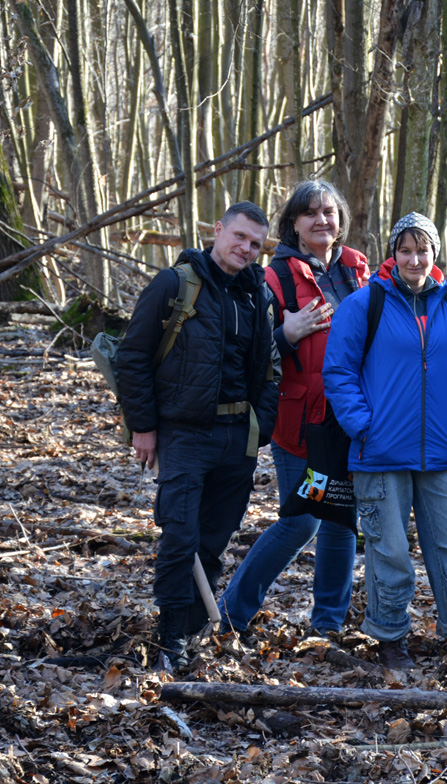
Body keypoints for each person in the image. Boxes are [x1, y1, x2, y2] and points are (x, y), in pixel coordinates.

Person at [322, 212, 447, 669]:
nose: (415, 259)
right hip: (379, 452)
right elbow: (338, 372)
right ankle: (390, 635)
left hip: (445, 451)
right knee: (390, 551)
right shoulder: (364, 304)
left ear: (435, 254)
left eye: (423, 250)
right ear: (393, 254)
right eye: (406, 250)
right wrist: (363, 424)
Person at [115, 201, 281, 673]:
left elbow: (269, 368)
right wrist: (143, 427)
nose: (246, 249)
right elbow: (133, 357)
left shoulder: (257, 296)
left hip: (237, 438)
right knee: (180, 538)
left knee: (213, 540)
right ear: (217, 230)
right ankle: (169, 639)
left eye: (255, 244)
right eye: (240, 237)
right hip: (183, 434)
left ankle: (188, 631)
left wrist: (261, 427)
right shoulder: (175, 285)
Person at [216, 181, 368, 638]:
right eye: (310, 213)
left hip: (351, 418)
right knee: (301, 520)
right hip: (300, 420)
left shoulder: (361, 273)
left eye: (329, 211)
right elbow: (245, 354)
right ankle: (230, 614)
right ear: (295, 224)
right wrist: (287, 333)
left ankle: (327, 626)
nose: (322, 220)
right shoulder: (273, 278)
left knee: (341, 522)